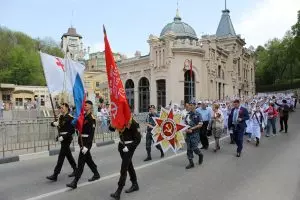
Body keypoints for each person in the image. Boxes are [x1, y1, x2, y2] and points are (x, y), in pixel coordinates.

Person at [66, 100, 100, 189]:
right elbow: (80, 128)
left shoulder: (91, 118)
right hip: (81, 142)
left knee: (80, 162)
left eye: (86, 105)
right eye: (84, 105)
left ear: (90, 107)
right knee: (88, 160)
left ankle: (75, 182)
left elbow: (91, 134)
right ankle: (96, 174)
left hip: (86, 143)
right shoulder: (83, 116)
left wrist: (87, 146)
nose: (84, 106)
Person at [109, 117, 142, 200]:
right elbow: (112, 129)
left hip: (129, 147)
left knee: (123, 168)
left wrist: (129, 147)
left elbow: (138, 139)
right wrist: (111, 124)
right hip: (121, 146)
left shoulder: (133, 122)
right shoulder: (120, 119)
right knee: (129, 165)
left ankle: (118, 191)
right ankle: (135, 184)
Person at [46, 103, 77, 181]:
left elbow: (72, 131)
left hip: (67, 138)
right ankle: (76, 170)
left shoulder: (70, 118)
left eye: (63, 108)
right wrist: (54, 123)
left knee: (61, 156)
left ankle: (55, 174)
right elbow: (53, 124)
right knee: (68, 155)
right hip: (61, 138)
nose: (61, 109)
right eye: (60, 108)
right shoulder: (60, 117)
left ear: (67, 108)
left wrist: (63, 137)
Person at [184, 100, 204, 169]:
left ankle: (200, 154)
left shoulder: (198, 114)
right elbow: (185, 124)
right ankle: (191, 163)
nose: (190, 106)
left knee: (194, 147)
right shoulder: (187, 114)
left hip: (195, 134)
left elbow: (200, 124)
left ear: (195, 106)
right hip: (188, 134)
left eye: (191, 105)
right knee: (189, 149)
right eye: (189, 105)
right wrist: (185, 129)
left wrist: (192, 129)